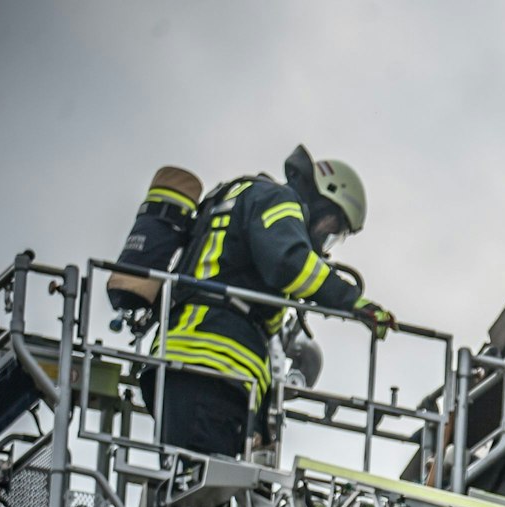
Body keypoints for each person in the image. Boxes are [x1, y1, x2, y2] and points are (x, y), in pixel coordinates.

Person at [149, 144, 397, 460]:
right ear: (322, 202)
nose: (323, 244)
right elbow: (289, 263)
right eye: (329, 230)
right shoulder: (278, 200)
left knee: (186, 487)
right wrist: (353, 302)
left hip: (194, 361)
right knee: (194, 486)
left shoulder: (247, 196)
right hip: (212, 360)